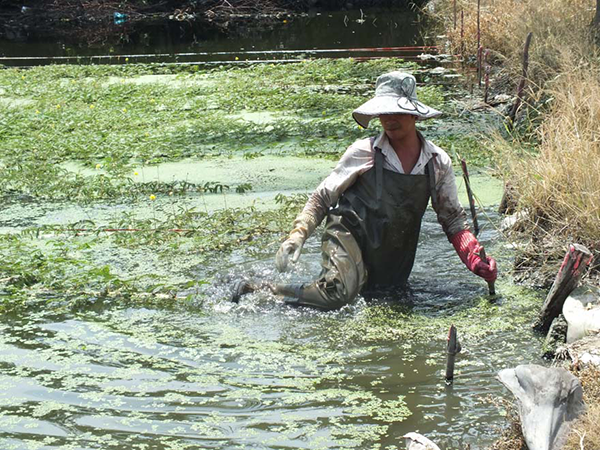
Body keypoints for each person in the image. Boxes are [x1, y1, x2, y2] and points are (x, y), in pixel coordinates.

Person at [237, 71, 497, 310]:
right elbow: (322, 197)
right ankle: (263, 291)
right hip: (348, 235)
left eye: (396, 111)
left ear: (415, 115)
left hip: (393, 250)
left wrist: (473, 257)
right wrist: (298, 235)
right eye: (383, 112)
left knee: (386, 298)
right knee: (339, 294)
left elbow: (452, 220)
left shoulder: (437, 162)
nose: (388, 119)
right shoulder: (364, 152)